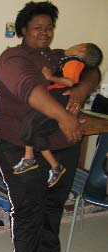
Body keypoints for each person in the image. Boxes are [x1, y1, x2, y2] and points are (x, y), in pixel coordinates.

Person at [0, 1, 101, 252]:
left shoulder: (59, 57)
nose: (45, 32)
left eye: (49, 27)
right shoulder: (12, 58)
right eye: (38, 27)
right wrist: (65, 116)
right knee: (28, 206)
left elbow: (92, 70)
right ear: (23, 29)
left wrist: (81, 90)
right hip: (18, 143)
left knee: (55, 202)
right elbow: (31, 90)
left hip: (60, 145)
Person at [13, 42, 103, 188]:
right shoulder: (47, 57)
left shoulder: (71, 60)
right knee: (32, 129)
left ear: (81, 50)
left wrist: (81, 91)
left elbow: (92, 73)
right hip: (44, 133)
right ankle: (49, 164)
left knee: (30, 124)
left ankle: (34, 159)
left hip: (61, 127)